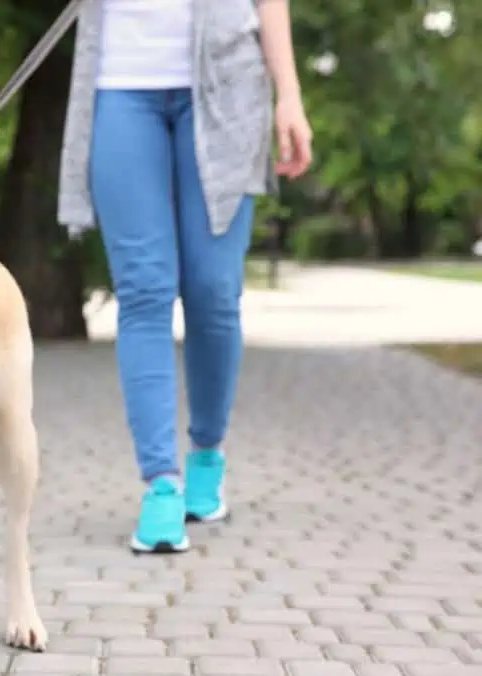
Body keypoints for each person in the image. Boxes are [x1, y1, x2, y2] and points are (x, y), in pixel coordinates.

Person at [57, 0, 313, 553]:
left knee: (213, 291)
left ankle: (206, 452)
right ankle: (161, 483)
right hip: (120, 84)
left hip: (228, 84)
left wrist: (289, 94)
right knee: (144, 290)